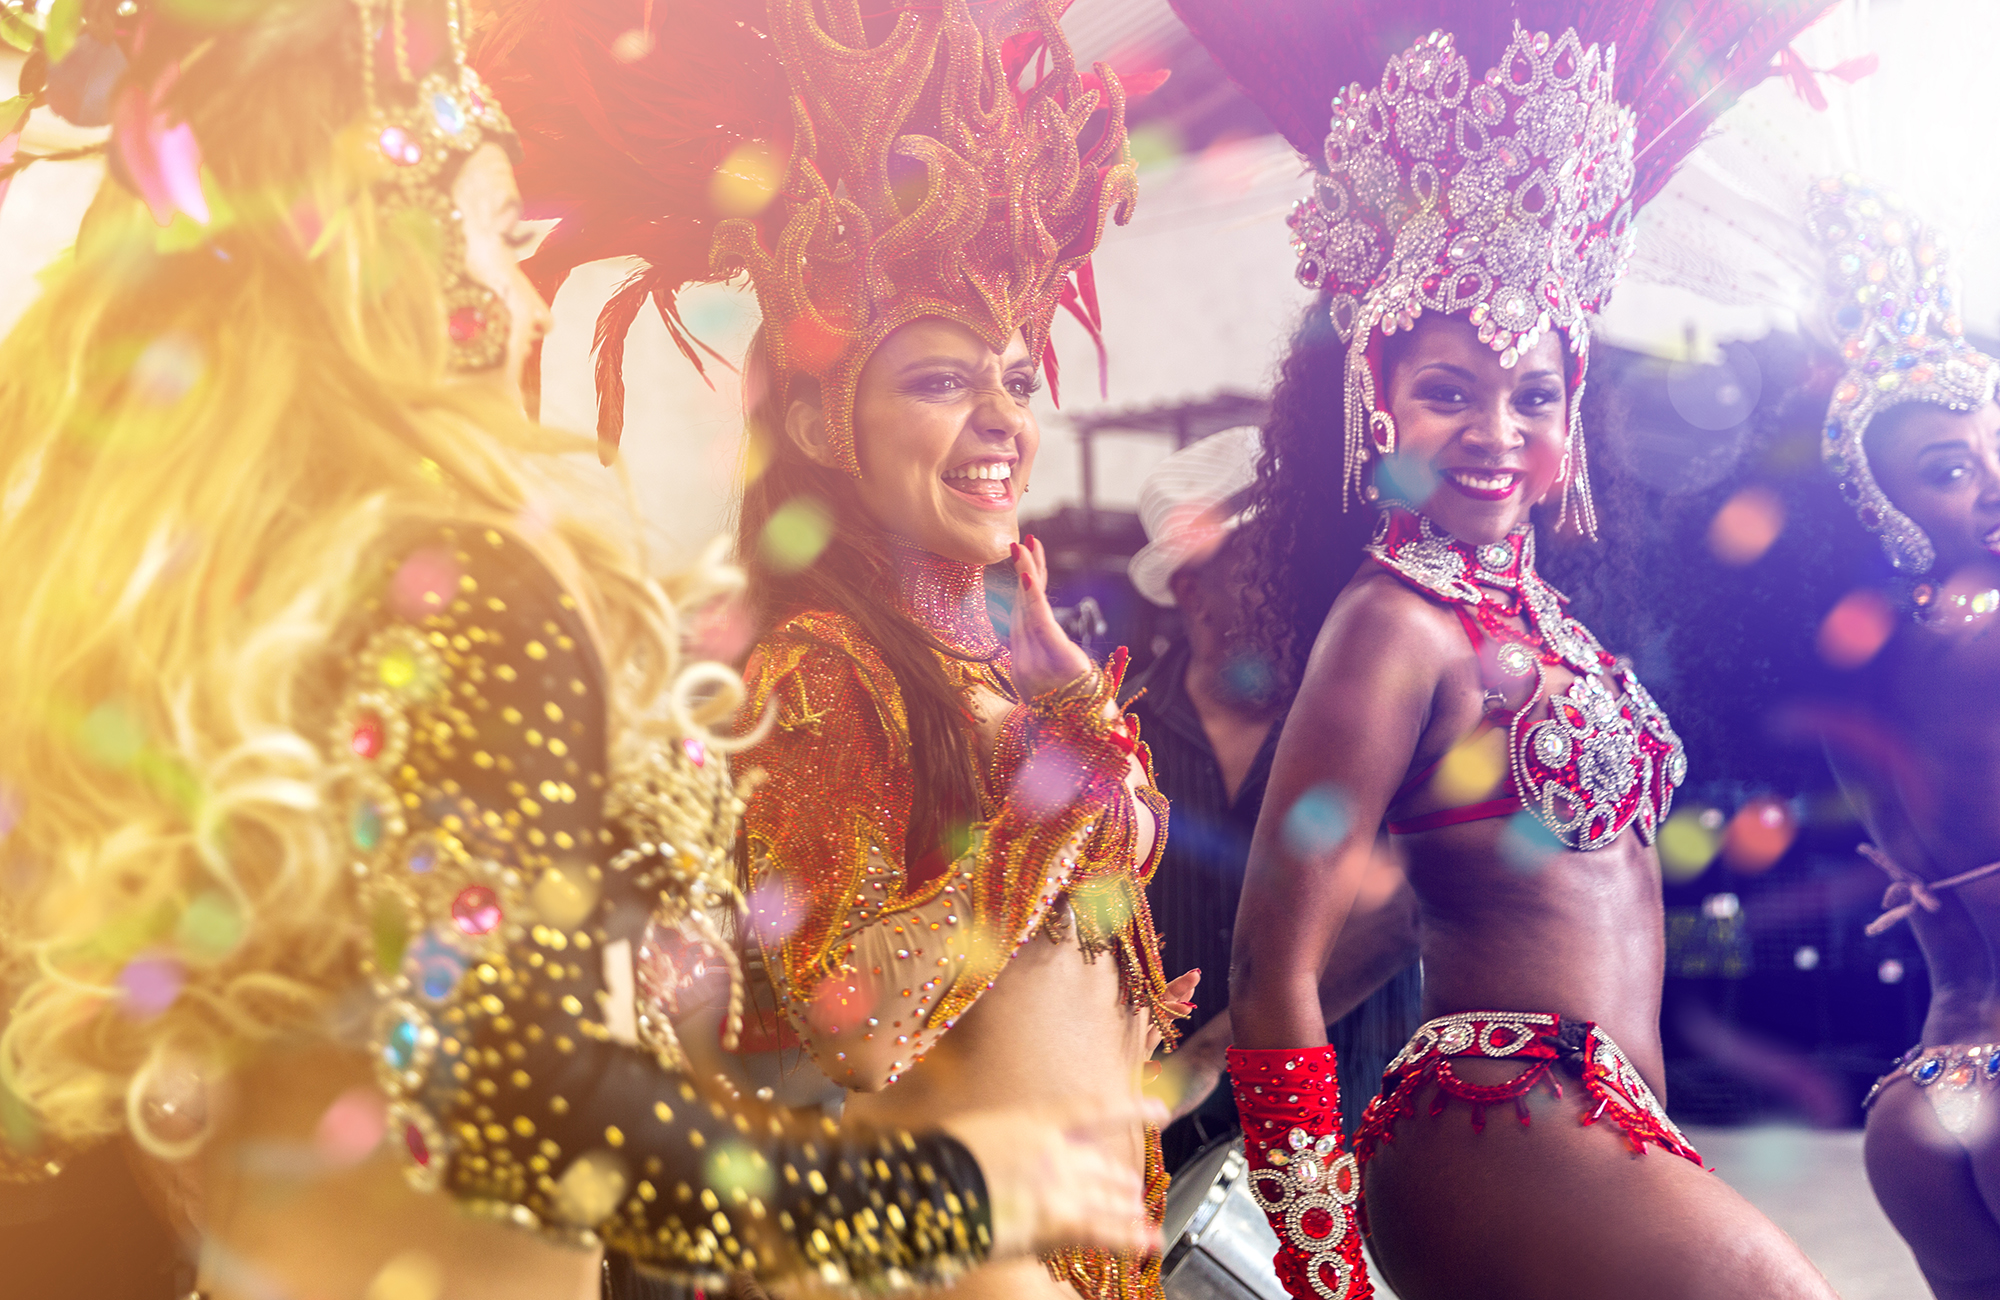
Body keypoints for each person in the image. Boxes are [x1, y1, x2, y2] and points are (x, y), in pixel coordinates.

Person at [0, 3, 1157, 1297]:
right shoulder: (461, 585)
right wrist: (936, 1196)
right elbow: (525, 1109)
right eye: (501, 241)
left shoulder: (228, 615)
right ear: (398, 266)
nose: (525, 296)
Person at [479, 3, 1188, 1297]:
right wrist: (1060, 788)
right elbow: (852, 1021)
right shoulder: (822, 666)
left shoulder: (985, 650)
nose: (1000, 422)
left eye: (1017, 379)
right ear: (818, 415)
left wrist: (1067, 704)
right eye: (938, 381)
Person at [1164, 3, 1844, 1297]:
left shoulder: (1556, 627)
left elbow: (1440, 901)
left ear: (1572, 417)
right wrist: (1323, 1265)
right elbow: (1273, 964)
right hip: (1493, 1118)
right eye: (1448, 390)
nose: (1494, 429)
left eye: (1531, 394)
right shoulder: (1392, 626)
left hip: (1614, 1128)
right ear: (1380, 404)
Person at [1795, 176, 2000, 1300]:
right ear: (1877, 510)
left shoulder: (1866, 660)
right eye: (1947, 469)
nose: (1994, 483)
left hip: (1926, 1090)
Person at [1123, 428, 1421, 1173]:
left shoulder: (1376, 712)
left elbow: (1400, 914)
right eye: (1265, 559)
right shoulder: (1119, 732)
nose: (1299, 579)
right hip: (1161, 1140)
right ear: (1190, 588)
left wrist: (1205, 1057)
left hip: (1349, 1128)